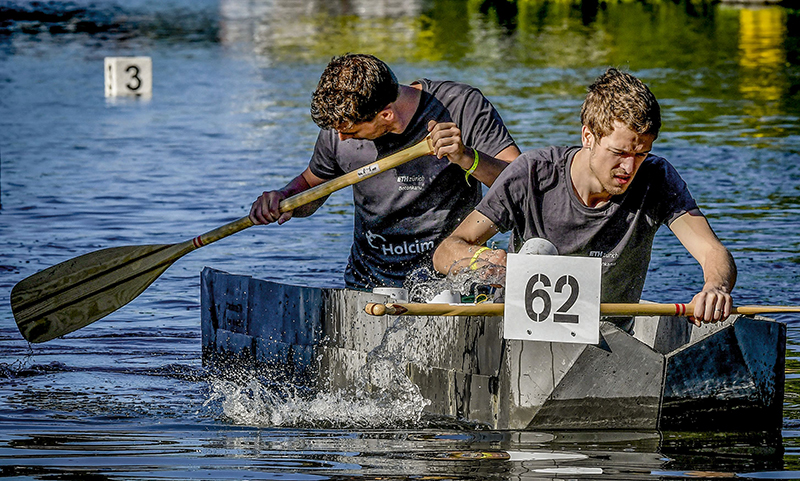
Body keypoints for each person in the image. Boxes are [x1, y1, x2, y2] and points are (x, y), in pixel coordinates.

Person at [432, 68, 736, 325]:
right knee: (538, 249)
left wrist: (716, 287)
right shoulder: (532, 173)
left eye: (641, 154)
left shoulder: (656, 178)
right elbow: (446, 251)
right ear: (588, 136)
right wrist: (485, 259)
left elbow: (712, 251)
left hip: (610, 343)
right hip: (519, 332)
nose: (629, 168)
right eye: (619, 153)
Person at [249, 53, 520, 290]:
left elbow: (519, 184)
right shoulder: (339, 127)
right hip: (367, 286)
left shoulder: (461, 106)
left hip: (448, 282)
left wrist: (466, 157)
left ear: (386, 115)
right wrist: (284, 198)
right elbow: (311, 185)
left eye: (351, 132)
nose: (341, 139)